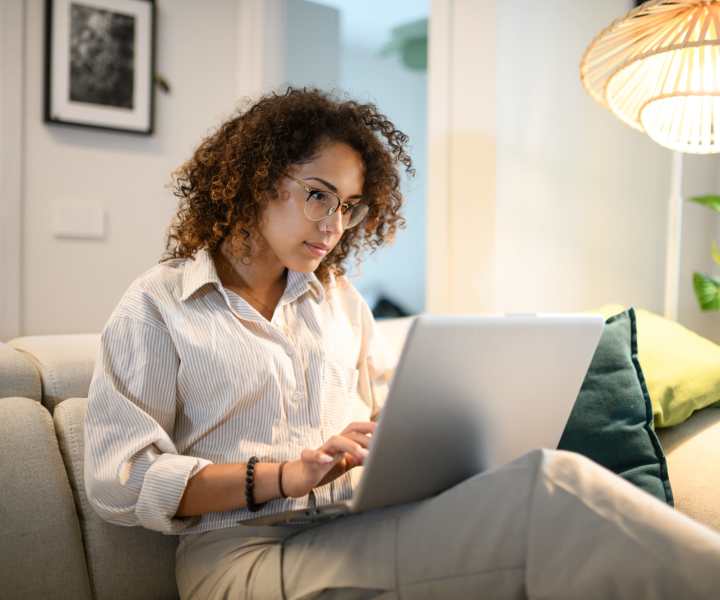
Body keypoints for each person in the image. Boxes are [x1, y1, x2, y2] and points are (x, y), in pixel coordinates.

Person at [84, 87, 720, 600]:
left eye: (351, 206)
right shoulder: (157, 306)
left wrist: (405, 431)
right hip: (240, 559)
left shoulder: (337, 301)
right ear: (256, 182)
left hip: (349, 525)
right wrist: (284, 475)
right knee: (546, 492)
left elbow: (382, 413)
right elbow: (121, 482)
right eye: (318, 196)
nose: (334, 226)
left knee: (539, 477)